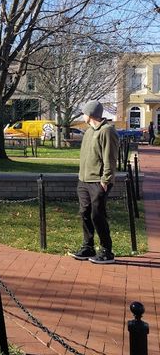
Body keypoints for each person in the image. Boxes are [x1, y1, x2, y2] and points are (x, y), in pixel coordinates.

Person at [71, 100, 118, 264]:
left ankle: (106, 250)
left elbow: (110, 158)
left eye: (84, 113)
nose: (82, 115)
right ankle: (88, 247)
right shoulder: (89, 132)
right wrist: (81, 177)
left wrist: (106, 179)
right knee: (85, 213)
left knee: (97, 215)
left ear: (90, 114)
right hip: (84, 181)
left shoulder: (107, 131)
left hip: (98, 181)